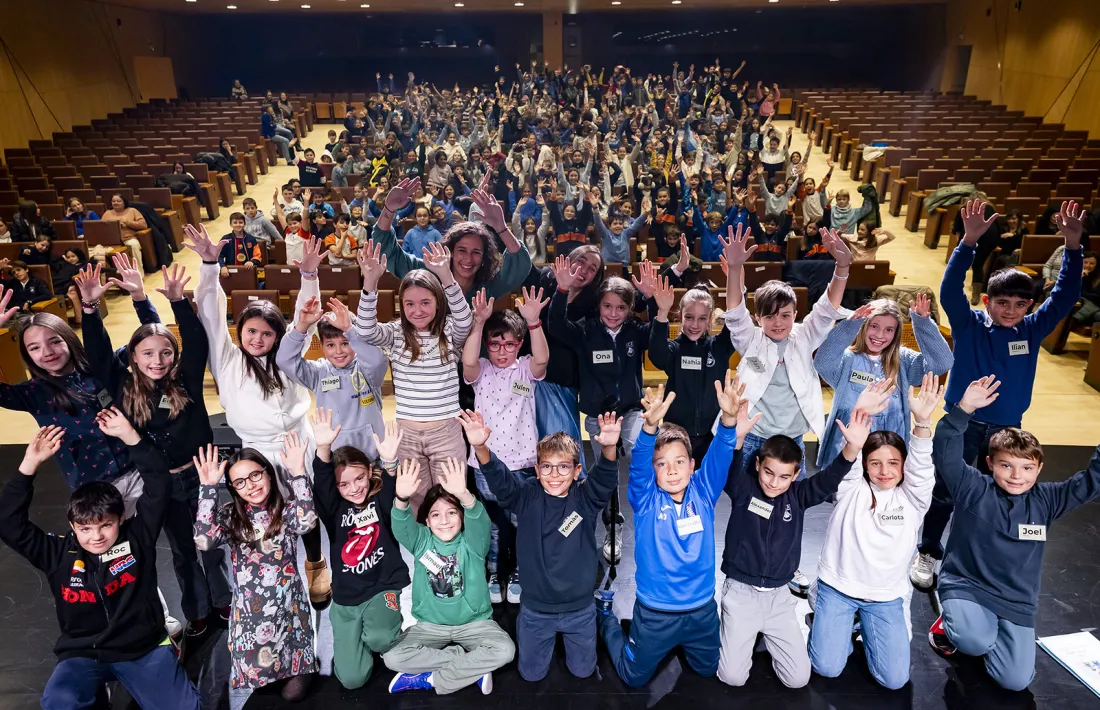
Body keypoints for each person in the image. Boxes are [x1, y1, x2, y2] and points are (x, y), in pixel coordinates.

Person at [912, 200, 1085, 590]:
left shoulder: (1032, 329)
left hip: (1007, 430)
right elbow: (950, 290)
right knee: (945, 491)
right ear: (987, 301)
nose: (1010, 311)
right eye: (1002, 303)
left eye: (1020, 304)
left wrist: (1073, 248)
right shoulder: (969, 324)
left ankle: (980, 556)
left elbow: (1065, 294)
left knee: (999, 494)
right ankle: (928, 551)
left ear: (1029, 306)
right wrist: (968, 243)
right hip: (963, 424)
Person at [74, 256, 230, 636]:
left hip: (202, 475)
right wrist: (90, 309)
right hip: (161, 484)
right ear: (133, 357)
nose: (157, 361)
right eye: (147, 353)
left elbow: (196, 341)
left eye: (165, 353)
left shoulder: (185, 381)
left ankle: (224, 599)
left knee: (211, 542)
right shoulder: (123, 387)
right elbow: (98, 353)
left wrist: (178, 302)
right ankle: (197, 609)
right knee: (182, 549)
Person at [0, 417, 200, 710]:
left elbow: (159, 482)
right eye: (85, 529)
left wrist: (131, 436)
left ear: (121, 518)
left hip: (143, 649)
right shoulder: (55, 553)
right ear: (72, 525)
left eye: (106, 525)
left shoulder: (139, 536)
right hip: (84, 654)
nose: (96, 537)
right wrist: (29, 464)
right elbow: (7, 522)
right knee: (60, 702)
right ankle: (96, 697)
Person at [184, 226, 333, 609]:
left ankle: (316, 563)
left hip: (299, 440)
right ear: (241, 331)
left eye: (267, 333)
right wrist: (209, 265)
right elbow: (211, 314)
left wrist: (309, 275)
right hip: (257, 450)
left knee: (307, 504)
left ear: (277, 336)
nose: (257, 339)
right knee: (264, 514)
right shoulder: (227, 359)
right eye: (251, 331)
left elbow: (307, 316)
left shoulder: (287, 355)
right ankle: (277, 568)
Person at [926, 375, 1100, 691]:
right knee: (973, 642)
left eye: (1027, 468)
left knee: (1015, 681)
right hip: (967, 585)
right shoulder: (972, 487)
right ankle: (955, 622)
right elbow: (946, 452)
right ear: (990, 463)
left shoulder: (1048, 499)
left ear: (1039, 468)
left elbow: (1091, 482)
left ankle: (984, 628)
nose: (1017, 476)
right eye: (1006, 465)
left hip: (1016, 599)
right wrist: (963, 410)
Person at [721, 223, 853, 592]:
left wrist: (842, 266)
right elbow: (734, 310)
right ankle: (745, 559)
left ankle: (787, 564)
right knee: (748, 503)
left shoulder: (804, 336)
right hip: (755, 438)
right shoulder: (750, 339)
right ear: (759, 317)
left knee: (791, 507)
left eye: (785, 314)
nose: (778, 322)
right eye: (770, 315)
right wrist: (735, 268)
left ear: (795, 314)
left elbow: (828, 307)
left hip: (792, 439)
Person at [595, 374, 740, 687]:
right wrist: (649, 429)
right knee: (633, 677)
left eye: (679, 462)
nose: (672, 470)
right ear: (653, 470)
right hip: (655, 614)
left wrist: (729, 420)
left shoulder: (704, 491)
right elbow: (638, 464)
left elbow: (721, 453)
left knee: (707, 670)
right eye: (661, 464)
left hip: (701, 611)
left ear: (692, 465)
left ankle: (681, 641)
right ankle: (605, 616)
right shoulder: (645, 499)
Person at [718, 402, 872, 689]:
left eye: (784, 477)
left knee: (798, 679)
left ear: (796, 473)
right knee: (733, 677)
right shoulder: (744, 488)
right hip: (741, 593)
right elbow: (729, 469)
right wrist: (736, 439)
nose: (774, 483)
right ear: (757, 465)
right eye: (768, 473)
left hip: (778, 598)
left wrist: (851, 449)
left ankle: (762, 634)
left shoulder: (799, 496)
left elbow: (828, 480)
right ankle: (739, 631)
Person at [459, 407, 620, 682]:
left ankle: (604, 618)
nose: (554, 474)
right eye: (547, 466)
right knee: (531, 675)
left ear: (577, 470)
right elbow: (502, 482)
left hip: (579, 610)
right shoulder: (528, 496)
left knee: (583, 672)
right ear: (537, 469)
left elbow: (604, 479)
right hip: (536, 611)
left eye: (563, 466)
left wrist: (608, 448)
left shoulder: (585, 498)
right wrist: (480, 447)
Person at [808, 373, 942, 690]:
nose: (884, 471)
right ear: (865, 465)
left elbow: (922, 467)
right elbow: (850, 453)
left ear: (904, 465)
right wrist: (859, 412)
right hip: (838, 588)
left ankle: (862, 623)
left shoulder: (913, 498)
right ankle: (822, 601)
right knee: (827, 667)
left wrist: (923, 423)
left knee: (894, 680)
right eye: (875, 463)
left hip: (884, 597)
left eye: (893, 463)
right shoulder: (850, 488)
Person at [548, 261, 659, 564]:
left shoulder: (635, 332)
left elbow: (657, 334)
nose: (613, 313)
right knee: (606, 473)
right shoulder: (586, 331)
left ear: (630, 309)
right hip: (599, 417)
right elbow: (556, 325)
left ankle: (652, 516)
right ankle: (613, 526)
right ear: (598, 306)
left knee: (642, 453)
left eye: (621, 307)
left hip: (631, 411)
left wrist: (651, 298)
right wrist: (561, 290)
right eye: (607, 306)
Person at [193, 436, 319, 702]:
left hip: (289, 612)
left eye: (255, 475)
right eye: (240, 482)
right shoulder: (230, 516)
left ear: (268, 474)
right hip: (252, 618)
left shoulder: (285, 510)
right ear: (233, 488)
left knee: (292, 695)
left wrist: (298, 473)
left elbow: (307, 522)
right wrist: (208, 488)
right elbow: (203, 541)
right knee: (260, 687)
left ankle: (302, 665)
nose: (250, 485)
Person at [353, 240, 472, 513]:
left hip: (446, 431)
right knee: (416, 498)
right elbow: (365, 330)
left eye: (425, 302)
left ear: (438, 302)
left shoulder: (448, 331)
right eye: (410, 304)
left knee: (450, 497)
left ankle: (448, 541)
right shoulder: (396, 333)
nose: (417, 310)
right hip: (406, 433)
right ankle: (423, 541)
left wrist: (446, 276)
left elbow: (466, 321)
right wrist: (370, 282)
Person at [383, 458, 516, 695]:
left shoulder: (473, 542)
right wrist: (401, 499)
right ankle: (471, 664)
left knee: (505, 650)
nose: (444, 521)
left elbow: (480, 520)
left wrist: (464, 494)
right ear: (426, 520)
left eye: (452, 512)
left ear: (462, 517)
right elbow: (401, 525)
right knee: (392, 658)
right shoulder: (421, 541)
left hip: (474, 624)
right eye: (435, 515)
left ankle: (430, 679)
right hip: (430, 627)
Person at [309, 410, 411, 690]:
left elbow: (393, 491)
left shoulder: (380, 499)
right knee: (352, 680)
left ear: (369, 472)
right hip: (348, 599)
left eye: (359, 478)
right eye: (344, 484)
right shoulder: (334, 509)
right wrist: (323, 448)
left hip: (382, 587)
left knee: (381, 640)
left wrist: (390, 463)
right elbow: (323, 483)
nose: (354, 488)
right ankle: (363, 637)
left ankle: (386, 632)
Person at [460, 288, 550, 602]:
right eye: (495, 344)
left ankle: (520, 571)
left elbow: (542, 359)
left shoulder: (525, 367)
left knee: (522, 521)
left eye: (509, 344)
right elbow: (468, 361)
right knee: (495, 523)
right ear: (487, 345)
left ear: (519, 344)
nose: (502, 351)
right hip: (487, 463)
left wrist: (533, 322)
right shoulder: (481, 371)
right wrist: (478, 324)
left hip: (523, 462)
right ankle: (495, 571)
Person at [813, 295, 953, 468]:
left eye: (889, 329)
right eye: (874, 326)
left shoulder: (903, 361)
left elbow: (942, 363)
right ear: (864, 326)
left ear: (896, 333)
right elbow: (822, 363)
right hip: (847, 446)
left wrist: (923, 324)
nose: (880, 335)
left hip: (889, 448)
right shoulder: (848, 360)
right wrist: (849, 326)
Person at [372, 177, 533, 303]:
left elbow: (520, 265)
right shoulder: (429, 276)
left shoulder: (487, 287)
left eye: (476, 252)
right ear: (450, 251)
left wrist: (501, 227)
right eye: (462, 250)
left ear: (484, 256)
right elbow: (386, 252)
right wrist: (389, 209)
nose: (468, 259)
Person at [277, 293, 388, 459]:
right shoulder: (318, 372)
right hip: (336, 456)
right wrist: (301, 327)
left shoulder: (367, 369)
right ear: (322, 346)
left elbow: (378, 360)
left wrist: (350, 330)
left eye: (345, 343)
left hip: (373, 455)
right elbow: (284, 360)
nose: (338, 351)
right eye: (330, 345)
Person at [100, 194, 147, 275]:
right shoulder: (107, 213)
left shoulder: (132, 211)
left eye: (118, 201)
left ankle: (139, 274)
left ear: (124, 202)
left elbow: (143, 225)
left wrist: (127, 222)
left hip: (129, 239)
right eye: (113, 201)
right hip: (112, 241)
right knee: (98, 251)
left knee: (134, 245)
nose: (116, 203)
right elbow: (101, 227)